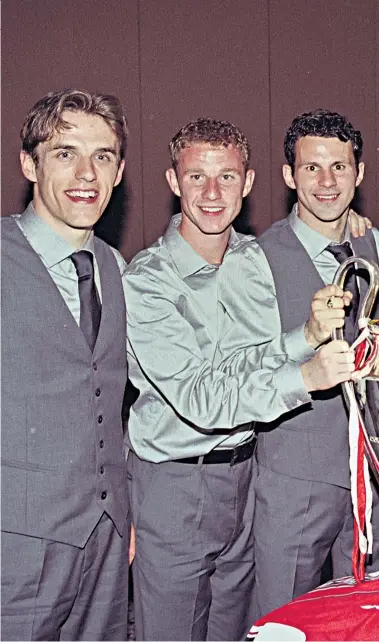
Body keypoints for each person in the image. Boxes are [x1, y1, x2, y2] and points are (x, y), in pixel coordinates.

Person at [124, 117, 358, 641]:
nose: (212, 193)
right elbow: (202, 397)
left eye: (227, 177)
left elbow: (255, 360)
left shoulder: (252, 259)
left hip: (245, 480)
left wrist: (306, 334)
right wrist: (305, 374)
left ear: (248, 184)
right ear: (171, 181)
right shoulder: (147, 279)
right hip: (177, 484)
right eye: (196, 177)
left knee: (238, 632)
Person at [1, 89, 131, 641]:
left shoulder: (116, 267)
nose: (86, 173)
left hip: (107, 539)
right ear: (29, 163)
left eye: (102, 156)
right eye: (64, 153)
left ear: (120, 171)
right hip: (17, 545)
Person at [251, 108, 379, 620]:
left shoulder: (373, 246)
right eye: (311, 168)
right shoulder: (254, 258)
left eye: (339, 168)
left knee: (360, 620)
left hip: (368, 483)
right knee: (285, 623)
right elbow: (243, 369)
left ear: (360, 174)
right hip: (294, 487)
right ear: (289, 176)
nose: (327, 182)